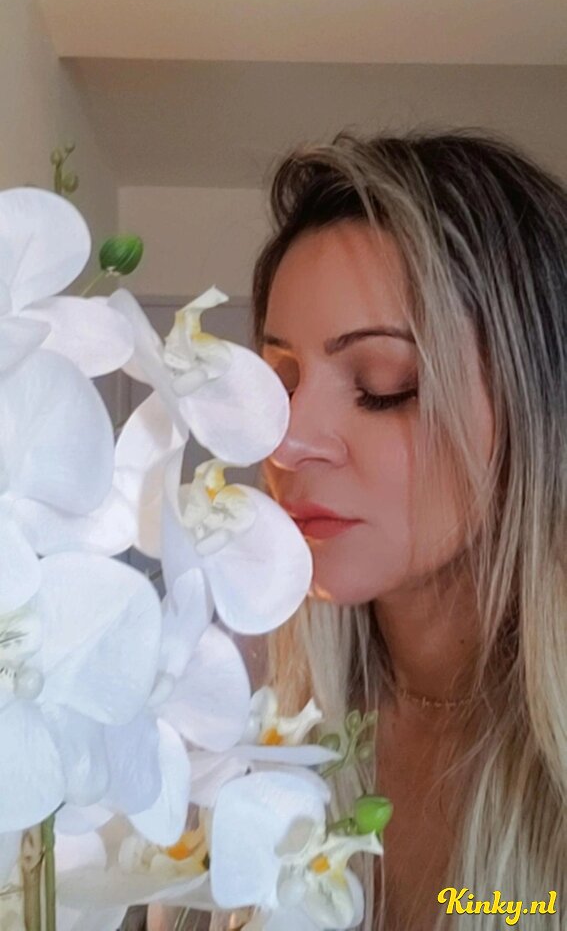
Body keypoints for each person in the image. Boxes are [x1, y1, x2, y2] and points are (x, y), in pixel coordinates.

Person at [148, 128, 567, 931]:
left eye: (383, 383)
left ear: (535, 405)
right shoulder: (239, 719)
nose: (286, 442)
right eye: (280, 382)